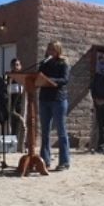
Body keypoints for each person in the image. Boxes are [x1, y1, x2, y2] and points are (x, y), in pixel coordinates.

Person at [38, 41, 71, 171]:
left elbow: (65, 79)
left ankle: (64, 162)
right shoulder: (44, 63)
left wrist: (50, 80)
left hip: (58, 100)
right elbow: (38, 76)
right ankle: (44, 161)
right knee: (44, 132)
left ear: (58, 50)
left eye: (53, 49)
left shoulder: (64, 63)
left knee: (61, 132)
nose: (50, 51)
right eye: (49, 48)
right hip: (44, 99)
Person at [7, 58, 26, 152]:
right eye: (14, 65)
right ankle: (13, 146)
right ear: (11, 67)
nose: (16, 67)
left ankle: (22, 145)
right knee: (14, 125)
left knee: (22, 126)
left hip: (22, 105)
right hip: (12, 105)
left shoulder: (23, 78)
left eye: (18, 65)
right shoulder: (9, 78)